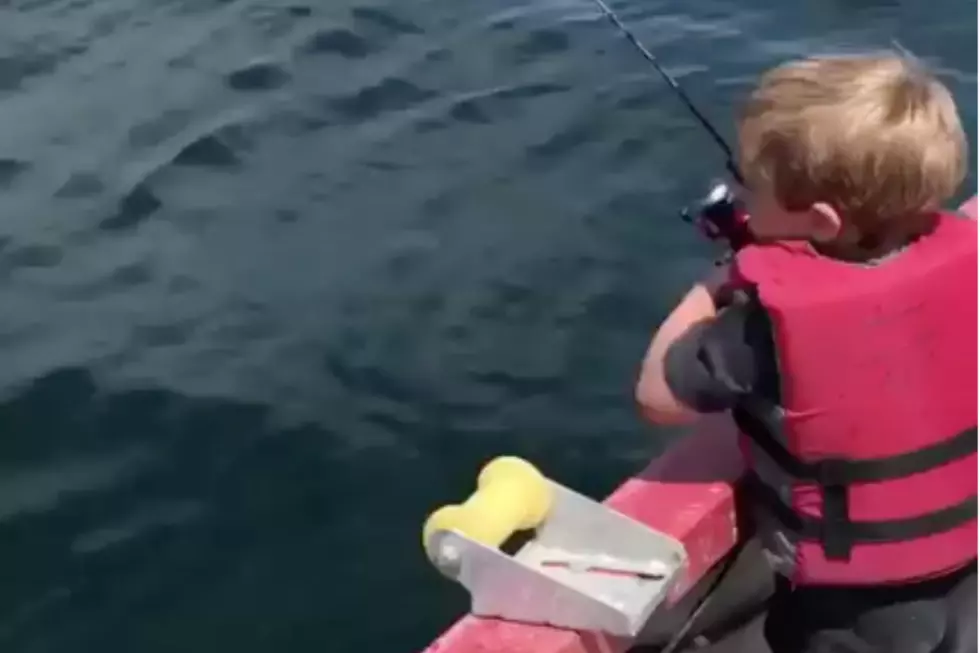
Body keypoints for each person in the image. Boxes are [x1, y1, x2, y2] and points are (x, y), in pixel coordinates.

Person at [635, 53, 977, 652]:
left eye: (752, 186)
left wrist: (719, 282)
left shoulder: (762, 330)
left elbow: (657, 397)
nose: (742, 195)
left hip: (855, 609)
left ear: (820, 221)